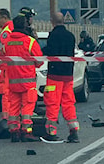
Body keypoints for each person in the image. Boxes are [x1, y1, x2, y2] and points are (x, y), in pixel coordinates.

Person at [3, 15, 44, 142]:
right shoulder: (30, 41)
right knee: (27, 108)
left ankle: (14, 132)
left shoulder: (8, 42)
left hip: (13, 82)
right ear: (25, 25)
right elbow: (39, 61)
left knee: (13, 108)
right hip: (28, 82)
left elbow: (0, 54)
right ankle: (26, 132)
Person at [40, 12, 80, 143]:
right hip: (68, 75)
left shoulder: (53, 35)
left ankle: (51, 132)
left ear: (52, 21)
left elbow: (50, 51)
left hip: (54, 75)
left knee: (52, 103)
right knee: (68, 103)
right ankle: (73, 131)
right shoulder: (70, 36)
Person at [0, 8, 14, 121]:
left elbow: (6, 49)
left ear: (5, 18)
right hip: (13, 67)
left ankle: (6, 121)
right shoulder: (13, 27)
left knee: (5, 94)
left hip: (7, 67)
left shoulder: (6, 31)